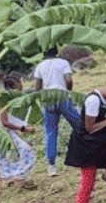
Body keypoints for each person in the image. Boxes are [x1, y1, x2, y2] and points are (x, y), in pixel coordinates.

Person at [32, 46, 84, 176]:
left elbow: (37, 87)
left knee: (51, 132)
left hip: (48, 100)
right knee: (78, 125)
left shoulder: (40, 66)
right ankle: (85, 153)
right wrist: (68, 90)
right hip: (62, 97)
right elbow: (69, 80)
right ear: (57, 52)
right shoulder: (63, 63)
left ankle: (52, 166)